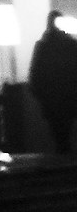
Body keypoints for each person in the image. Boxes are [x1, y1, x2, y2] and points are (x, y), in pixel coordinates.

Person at [30, 10, 77, 156]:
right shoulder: (71, 45)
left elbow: (36, 72)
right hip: (68, 98)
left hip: (52, 99)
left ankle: (62, 158)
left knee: (58, 133)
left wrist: (39, 93)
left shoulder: (43, 46)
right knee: (65, 133)